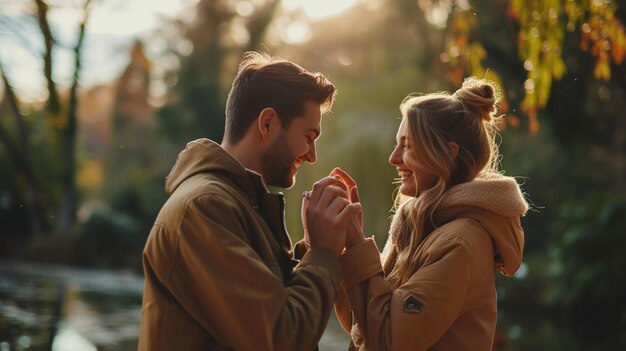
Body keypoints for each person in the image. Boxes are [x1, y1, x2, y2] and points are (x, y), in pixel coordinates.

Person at [138, 51, 360, 350]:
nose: (312, 155)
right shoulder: (204, 208)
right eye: (309, 136)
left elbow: (269, 304)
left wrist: (311, 247)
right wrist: (322, 255)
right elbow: (282, 336)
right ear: (267, 124)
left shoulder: (238, 204)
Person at [308, 77, 529, 350]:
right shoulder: (422, 227)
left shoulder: (460, 242)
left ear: (447, 154)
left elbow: (390, 339)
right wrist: (339, 246)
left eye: (407, 145)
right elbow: (363, 323)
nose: (393, 158)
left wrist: (357, 245)